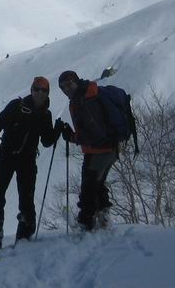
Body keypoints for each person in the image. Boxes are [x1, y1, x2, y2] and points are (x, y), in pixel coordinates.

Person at [0, 76, 60, 248]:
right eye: (36, 89)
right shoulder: (16, 106)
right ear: (31, 90)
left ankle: (24, 236)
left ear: (48, 92)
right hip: (6, 155)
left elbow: (47, 141)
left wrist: (56, 131)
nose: (39, 93)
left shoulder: (45, 115)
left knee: (26, 199)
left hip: (27, 160)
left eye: (43, 90)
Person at [57, 70, 124, 231]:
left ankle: (86, 223)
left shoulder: (85, 100)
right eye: (63, 87)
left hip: (99, 150)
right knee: (97, 185)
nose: (67, 89)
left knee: (88, 188)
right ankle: (103, 218)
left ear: (76, 81)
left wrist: (71, 137)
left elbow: (94, 133)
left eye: (69, 84)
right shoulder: (85, 95)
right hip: (109, 149)